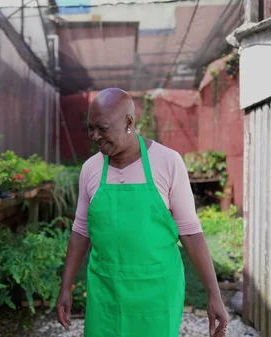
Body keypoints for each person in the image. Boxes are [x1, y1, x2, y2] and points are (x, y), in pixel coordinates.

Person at [56, 88, 229, 337]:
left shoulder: (167, 162)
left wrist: (214, 295)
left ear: (128, 122)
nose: (95, 136)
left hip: (157, 291)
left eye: (102, 128)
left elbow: (190, 233)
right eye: (90, 128)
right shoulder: (90, 169)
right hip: (106, 289)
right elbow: (81, 231)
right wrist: (66, 287)